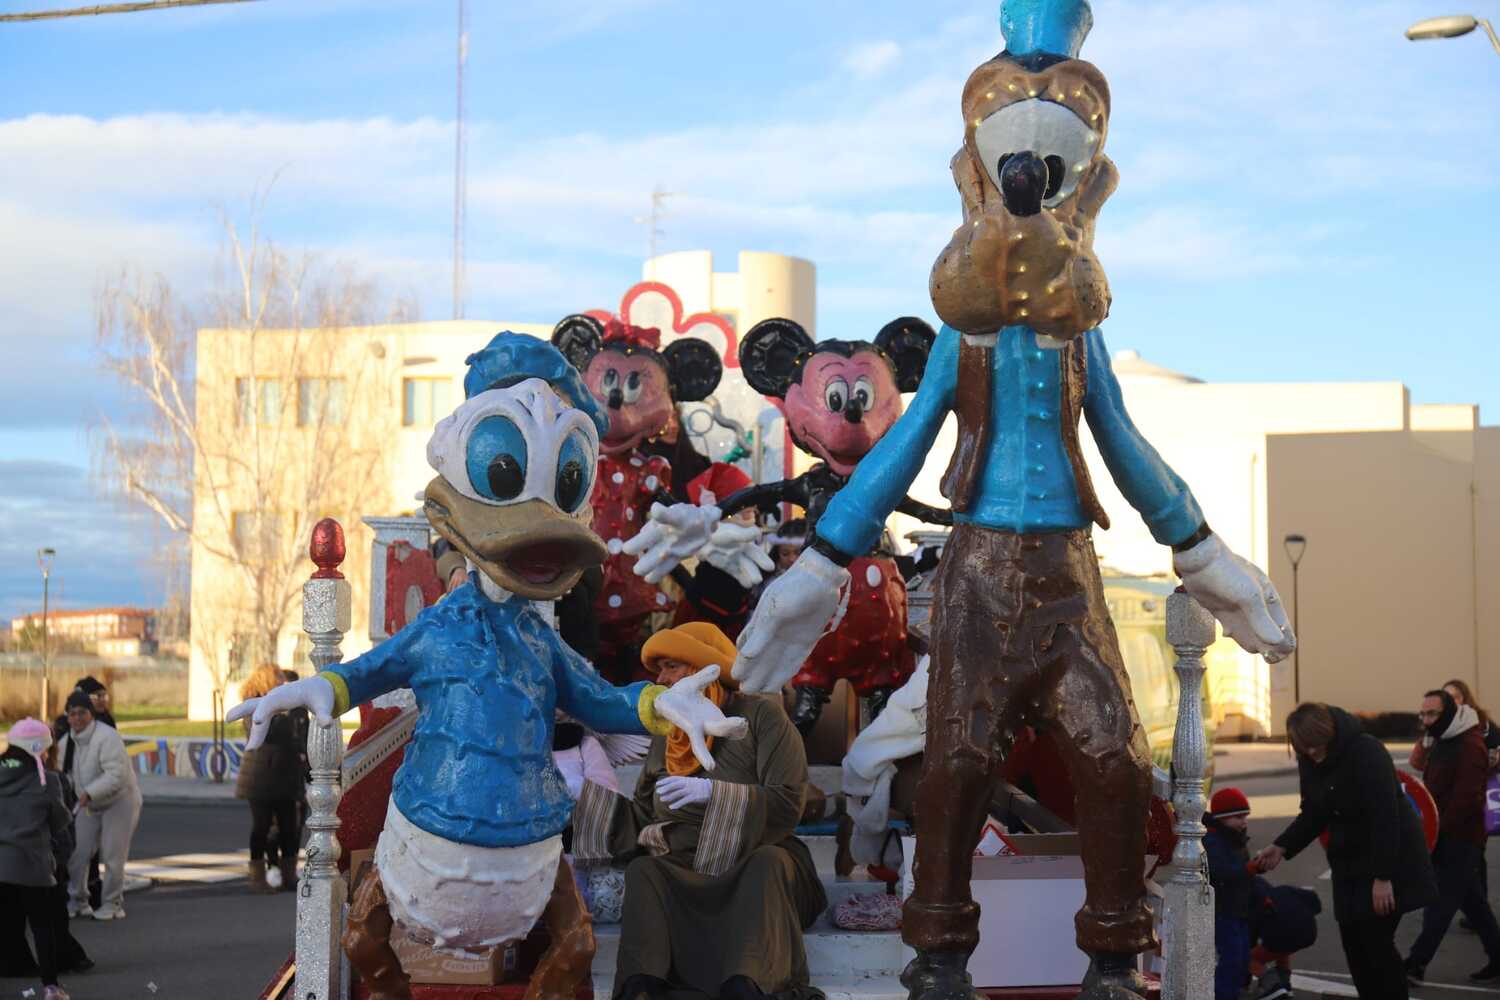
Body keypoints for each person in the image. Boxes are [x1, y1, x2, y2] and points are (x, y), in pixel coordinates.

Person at [570, 622, 827, 1000]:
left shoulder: (763, 718)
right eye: (658, 670)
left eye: (671, 667)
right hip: (685, 863)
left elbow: (789, 802)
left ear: (703, 669)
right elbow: (644, 815)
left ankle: (748, 982)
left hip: (753, 860)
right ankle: (642, 984)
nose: (661, 679)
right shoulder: (668, 732)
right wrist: (578, 806)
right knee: (645, 870)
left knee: (768, 863)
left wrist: (714, 794)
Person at [1255, 703, 1436, 1000]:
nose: (1312, 754)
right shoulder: (1308, 757)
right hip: (1349, 863)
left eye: (1316, 746)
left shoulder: (1366, 751)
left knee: (1376, 944)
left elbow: (1385, 817)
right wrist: (1282, 846)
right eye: (1304, 749)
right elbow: (1314, 813)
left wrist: (1382, 877)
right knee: (1354, 946)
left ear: (1329, 733)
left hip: (1389, 859)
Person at [1402, 689, 1500, 983]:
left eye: (1432, 714)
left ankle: (1415, 964)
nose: (1426, 720)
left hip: (1461, 838)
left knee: (1441, 905)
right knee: (1474, 904)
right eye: (1423, 714)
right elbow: (1423, 776)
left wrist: (1436, 830)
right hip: (1444, 835)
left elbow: (1467, 800)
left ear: (1447, 714)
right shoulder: (1442, 739)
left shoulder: (1469, 745)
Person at [0, 718, 73, 1000]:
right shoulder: (48, 780)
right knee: (43, 927)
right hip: (33, 865)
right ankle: (51, 987)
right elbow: (59, 820)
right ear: (38, 748)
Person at [57, 690, 142, 921]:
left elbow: (117, 775)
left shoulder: (107, 737)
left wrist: (89, 792)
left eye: (82, 713)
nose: (77, 718)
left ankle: (113, 904)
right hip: (89, 803)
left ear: (91, 714)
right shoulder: (66, 743)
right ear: (67, 717)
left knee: (113, 854)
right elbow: (62, 773)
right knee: (77, 852)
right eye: (72, 714)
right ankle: (78, 901)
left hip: (120, 801)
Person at [234, 664, 307, 893]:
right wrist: (286, 713)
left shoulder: (286, 705)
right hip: (260, 777)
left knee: (289, 827)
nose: (282, 681)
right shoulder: (254, 704)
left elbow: (298, 738)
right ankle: (257, 878)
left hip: (285, 777)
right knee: (262, 827)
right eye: (278, 677)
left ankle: (288, 875)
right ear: (266, 679)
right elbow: (271, 733)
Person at [1205, 787, 1256, 1000]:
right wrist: (1248, 869)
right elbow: (1219, 872)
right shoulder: (1213, 841)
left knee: (1242, 957)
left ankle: (1234, 992)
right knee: (1232, 958)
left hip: (1238, 909)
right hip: (1224, 910)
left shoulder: (1235, 838)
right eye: (1238, 817)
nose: (1243, 822)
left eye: (1245, 817)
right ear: (1222, 818)